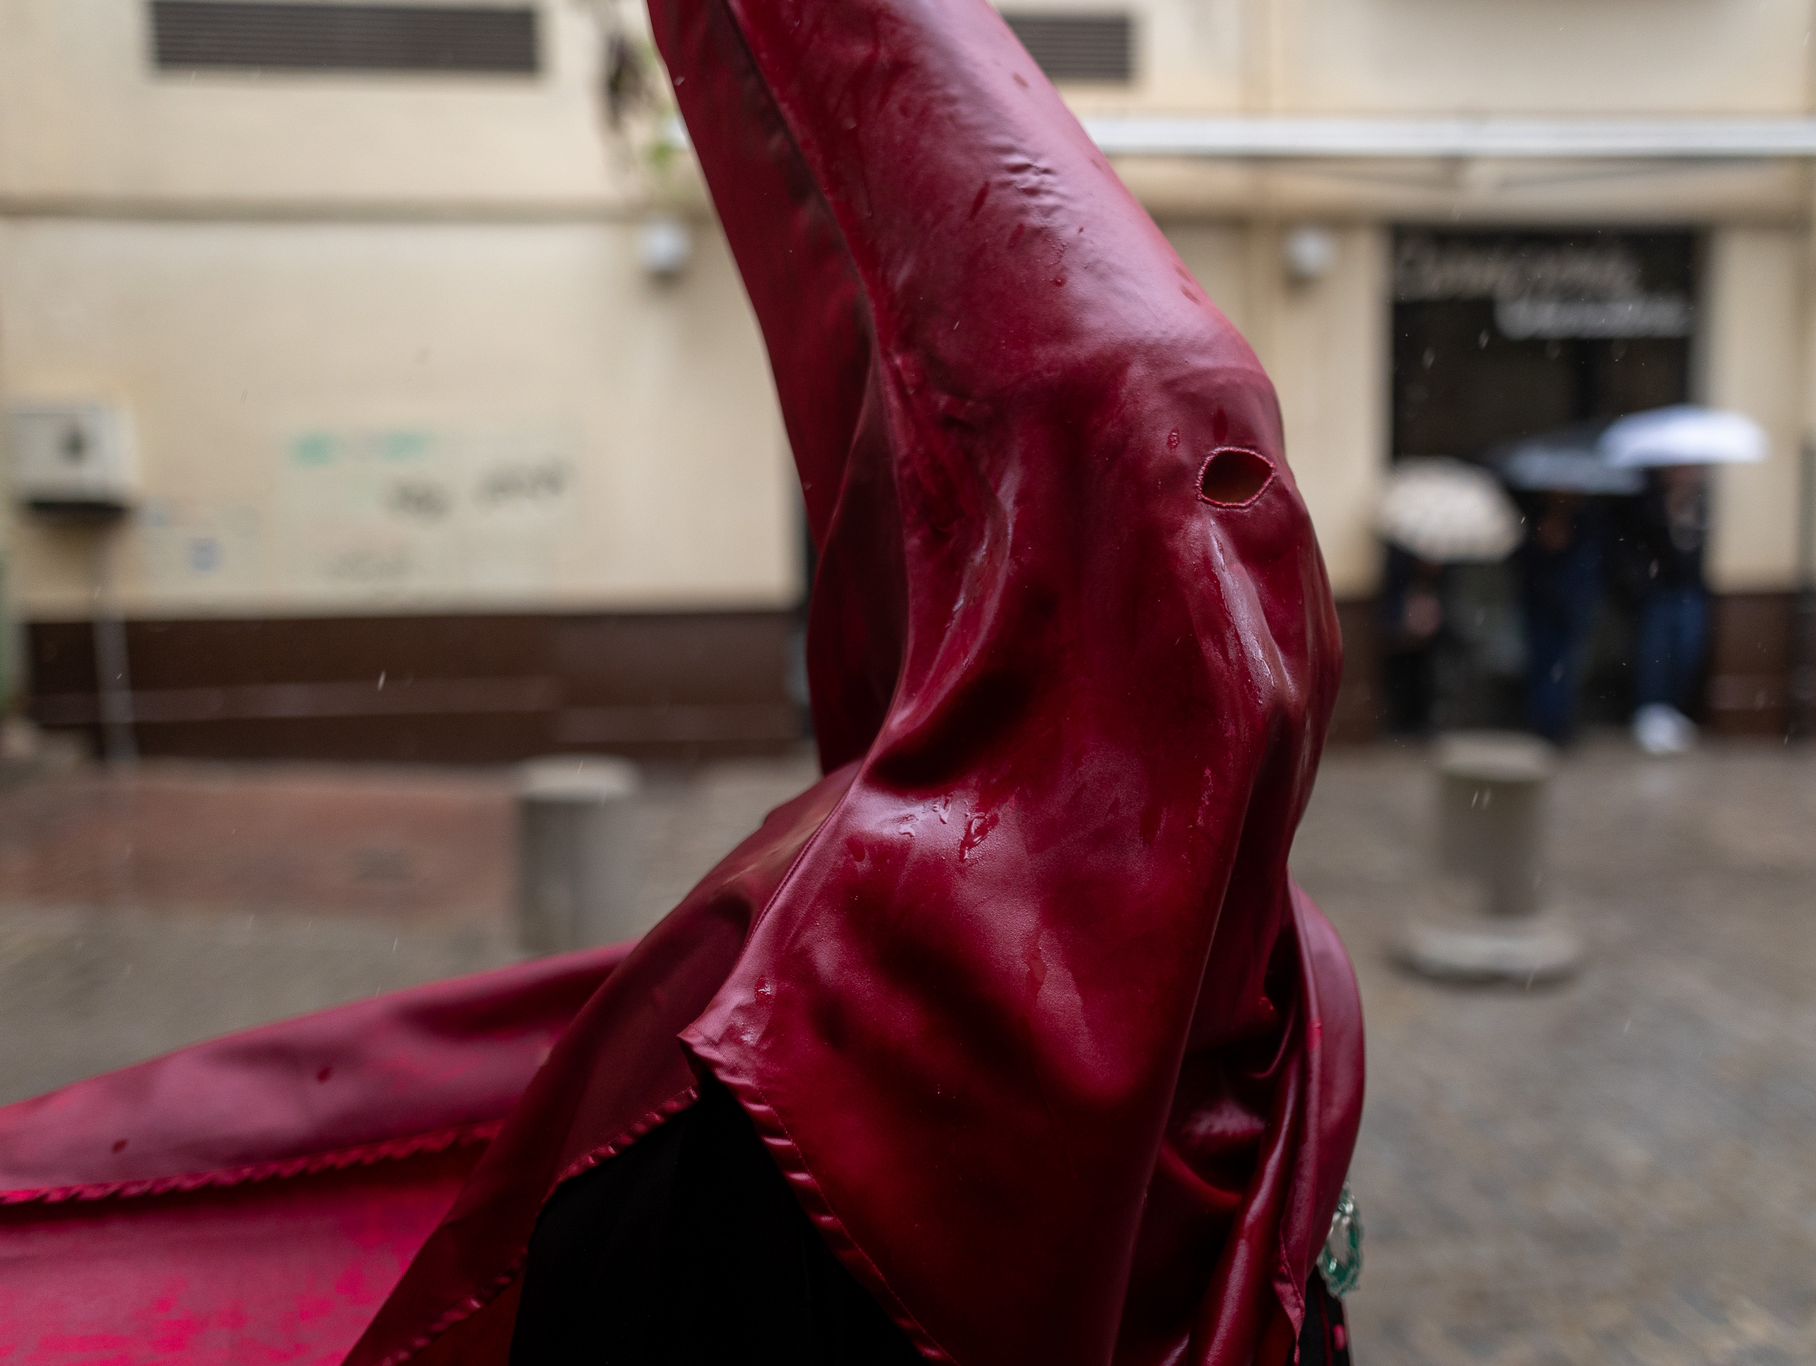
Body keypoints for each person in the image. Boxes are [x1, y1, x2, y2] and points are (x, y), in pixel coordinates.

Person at [0, 1, 1365, 1363]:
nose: (1245, 602)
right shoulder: (862, 973)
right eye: (1187, 498)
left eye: (1253, 486)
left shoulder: (1269, 965)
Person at [1628, 466, 1712, 754]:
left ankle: (1674, 711)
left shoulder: (1703, 504)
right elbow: (1641, 547)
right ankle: (1650, 712)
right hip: (1660, 590)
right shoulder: (1649, 503)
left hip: (1692, 590)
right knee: (1655, 653)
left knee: (1687, 652)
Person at [1517, 492, 1605, 744]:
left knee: (1566, 667)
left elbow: (1591, 564)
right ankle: (1543, 725)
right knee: (1543, 665)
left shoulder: (1587, 521)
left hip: (1571, 605)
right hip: (1542, 603)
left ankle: (1559, 726)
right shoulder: (1534, 517)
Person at [1381, 545, 1448, 736]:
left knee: (1421, 673)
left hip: (1423, 621)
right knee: (1406, 674)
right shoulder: (1400, 552)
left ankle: (1418, 720)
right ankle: (1406, 721)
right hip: (1402, 621)